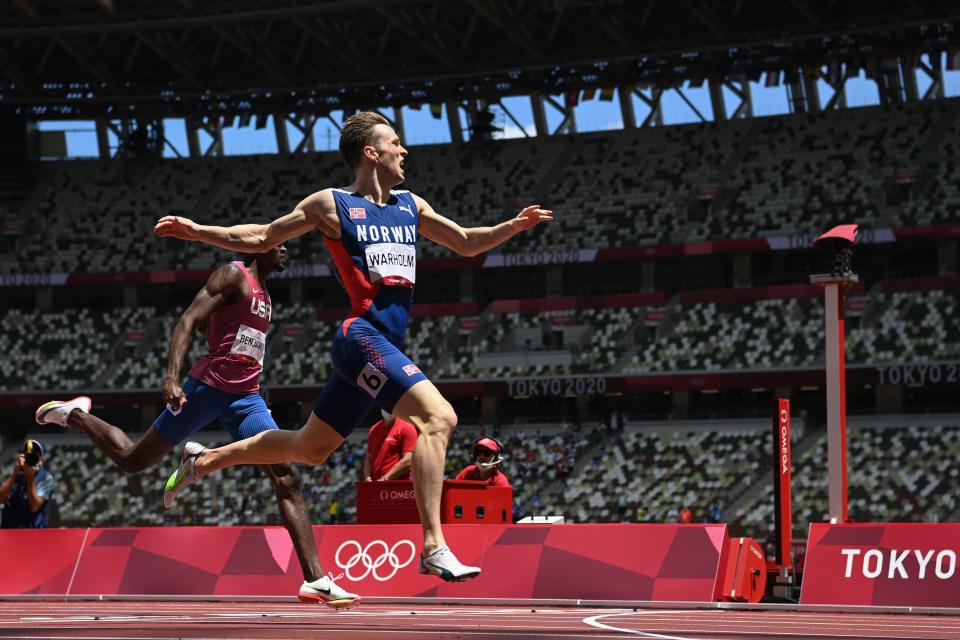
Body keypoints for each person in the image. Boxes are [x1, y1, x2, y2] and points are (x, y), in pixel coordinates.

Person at [154, 110, 553, 582]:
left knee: (310, 447)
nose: (403, 151)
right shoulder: (332, 204)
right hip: (359, 336)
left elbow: (466, 242)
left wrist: (514, 225)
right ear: (371, 153)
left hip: (382, 343)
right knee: (439, 417)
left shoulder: (411, 205)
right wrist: (196, 231)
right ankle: (433, 545)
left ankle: (205, 460)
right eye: (395, 143)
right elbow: (262, 236)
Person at [33, 246, 359, 609]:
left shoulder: (266, 294)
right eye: (278, 243)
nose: (286, 249)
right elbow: (188, 320)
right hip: (206, 389)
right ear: (258, 244)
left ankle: (315, 579)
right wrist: (172, 378)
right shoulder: (234, 275)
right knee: (132, 459)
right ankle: (76, 415)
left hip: (246, 399)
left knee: (286, 476)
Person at [0, 439, 55, 529]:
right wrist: (15, 471)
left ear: (41, 461)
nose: (30, 459)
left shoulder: (45, 478)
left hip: (31, 534)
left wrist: (30, 477)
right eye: (27, 456)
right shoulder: (17, 477)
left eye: (34, 456)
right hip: (9, 532)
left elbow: (34, 506)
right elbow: (1, 498)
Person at [363, 411, 417, 482]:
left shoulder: (407, 428)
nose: (387, 410)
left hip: (398, 485)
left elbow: (408, 460)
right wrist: (367, 477)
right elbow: (369, 457)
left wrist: (386, 478)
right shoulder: (374, 429)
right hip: (377, 484)